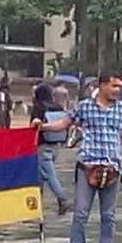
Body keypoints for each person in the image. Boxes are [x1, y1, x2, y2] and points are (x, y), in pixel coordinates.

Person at [35, 72, 122, 243]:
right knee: (81, 214)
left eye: (119, 87)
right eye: (114, 86)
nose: (118, 90)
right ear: (102, 85)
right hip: (87, 166)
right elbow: (65, 123)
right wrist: (43, 127)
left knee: (108, 215)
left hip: (113, 168)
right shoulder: (84, 107)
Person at [29, 83, 70, 215]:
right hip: (56, 145)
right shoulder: (58, 107)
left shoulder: (39, 108)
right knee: (39, 174)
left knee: (49, 175)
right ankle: (37, 201)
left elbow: (32, 126)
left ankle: (63, 199)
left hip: (42, 145)